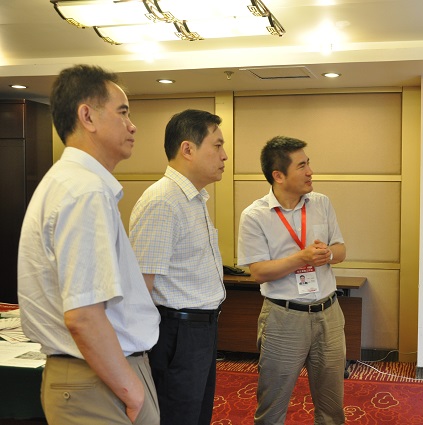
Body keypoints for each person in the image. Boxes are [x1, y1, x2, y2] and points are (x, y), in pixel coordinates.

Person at [17, 64, 160, 425]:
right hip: (99, 380)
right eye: (122, 112)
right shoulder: (85, 190)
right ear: (87, 117)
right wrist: (132, 392)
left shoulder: (70, 182)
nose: (132, 125)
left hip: (94, 375)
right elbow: (83, 316)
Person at [237, 136, 347, 425]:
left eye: (308, 163)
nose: (310, 171)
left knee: (332, 407)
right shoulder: (255, 215)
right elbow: (258, 271)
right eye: (301, 166)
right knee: (272, 407)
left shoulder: (321, 203)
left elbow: (341, 249)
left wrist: (327, 254)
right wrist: (302, 258)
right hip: (283, 318)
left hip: (329, 313)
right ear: (279, 175)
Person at [129, 109, 227, 425]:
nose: (224, 156)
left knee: (197, 415)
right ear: (187, 149)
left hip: (199, 330)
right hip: (177, 333)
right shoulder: (163, 201)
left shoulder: (193, 198)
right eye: (217, 145)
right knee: (177, 417)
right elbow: (140, 287)